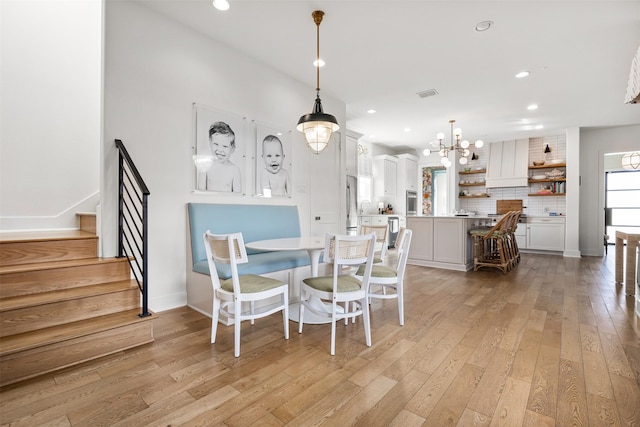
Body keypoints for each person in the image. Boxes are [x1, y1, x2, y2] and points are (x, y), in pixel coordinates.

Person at [205, 121, 241, 192]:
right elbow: (199, 195)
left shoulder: (234, 170)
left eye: (225, 146)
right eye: (216, 144)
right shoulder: (205, 167)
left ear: (232, 149)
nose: (220, 150)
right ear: (210, 143)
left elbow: (238, 197)